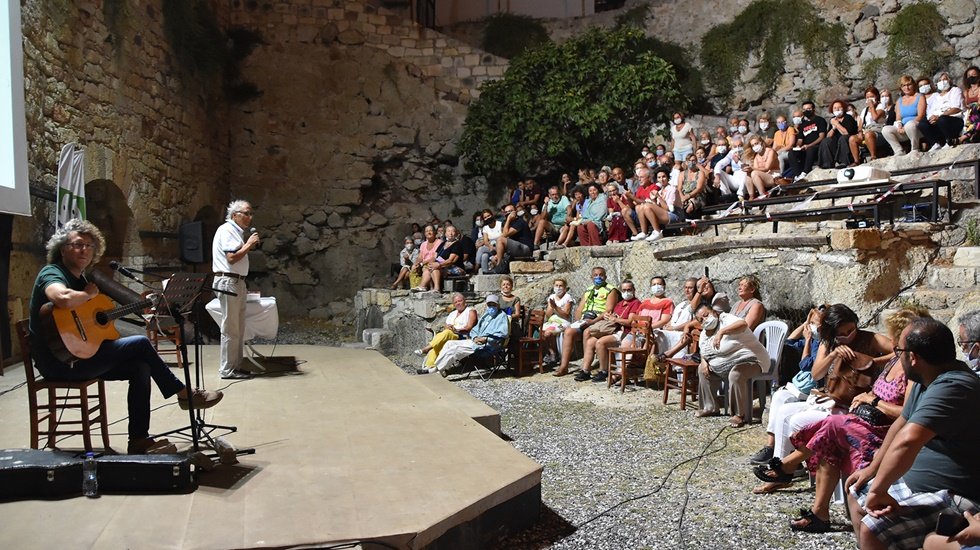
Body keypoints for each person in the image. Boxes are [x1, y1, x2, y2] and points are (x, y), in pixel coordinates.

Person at [29, 219, 222, 454]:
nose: (84, 250)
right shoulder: (52, 273)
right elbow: (62, 298)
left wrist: (138, 308)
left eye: (90, 246)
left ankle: (138, 440)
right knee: (141, 342)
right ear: (62, 248)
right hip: (60, 363)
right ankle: (183, 393)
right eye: (78, 244)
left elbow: (94, 321)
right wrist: (88, 294)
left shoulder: (82, 279)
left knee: (140, 367)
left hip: (81, 356)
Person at [750, 308, 924, 529]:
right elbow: (815, 374)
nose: (892, 342)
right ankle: (814, 506)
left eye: (895, 340)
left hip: (880, 426)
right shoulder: (894, 361)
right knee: (824, 432)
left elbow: (907, 413)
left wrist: (870, 385)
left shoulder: (909, 368)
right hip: (858, 414)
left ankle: (788, 471)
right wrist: (837, 358)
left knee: (830, 427)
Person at [845, 317, 980, 550]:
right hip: (921, 483)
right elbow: (901, 426)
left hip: (956, 493)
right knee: (856, 493)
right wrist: (872, 469)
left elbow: (908, 440)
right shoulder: (925, 379)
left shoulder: (954, 386)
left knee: (874, 528)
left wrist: (879, 490)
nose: (897, 356)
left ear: (913, 357)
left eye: (899, 351)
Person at [748, 304, 828, 466]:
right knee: (778, 396)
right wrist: (805, 324)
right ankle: (772, 446)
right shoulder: (813, 337)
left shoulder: (822, 343)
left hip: (815, 389)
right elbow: (790, 340)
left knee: (784, 405)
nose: (812, 327)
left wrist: (806, 341)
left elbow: (806, 365)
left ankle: (787, 459)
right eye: (811, 323)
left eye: (816, 323)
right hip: (802, 386)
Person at [693, 304, 770, 428]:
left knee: (736, 374)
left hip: (752, 360)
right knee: (702, 370)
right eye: (701, 319)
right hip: (726, 364)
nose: (705, 320)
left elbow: (743, 324)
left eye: (706, 315)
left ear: (714, 312)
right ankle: (710, 407)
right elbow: (703, 350)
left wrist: (722, 332)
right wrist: (703, 362)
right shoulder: (705, 333)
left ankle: (739, 414)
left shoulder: (725, 319)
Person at [212, 199, 262, 380]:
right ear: (235, 215)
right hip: (228, 282)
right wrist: (248, 244)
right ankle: (227, 370)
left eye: (251, 213)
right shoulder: (227, 230)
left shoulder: (235, 232)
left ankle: (236, 366)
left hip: (237, 282)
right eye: (246, 213)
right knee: (231, 328)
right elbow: (231, 258)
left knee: (238, 328)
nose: (250, 217)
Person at [417, 295, 510, 376]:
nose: (491, 307)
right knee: (450, 344)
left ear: (498, 305)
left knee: (455, 349)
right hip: (476, 341)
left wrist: (486, 339)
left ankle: (436, 368)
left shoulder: (502, 316)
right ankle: (438, 368)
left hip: (488, 344)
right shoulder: (486, 315)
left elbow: (502, 334)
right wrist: (475, 337)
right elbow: (474, 329)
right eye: (489, 305)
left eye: (493, 305)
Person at [556, 267, 620, 377]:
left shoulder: (611, 290)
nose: (598, 277)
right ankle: (564, 366)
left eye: (601, 275)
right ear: (591, 277)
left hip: (600, 319)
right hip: (586, 319)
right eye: (595, 275)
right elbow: (579, 309)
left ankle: (586, 368)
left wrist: (593, 321)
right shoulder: (589, 290)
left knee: (587, 332)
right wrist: (578, 321)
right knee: (569, 331)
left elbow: (608, 310)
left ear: (605, 276)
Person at [575, 279, 642, 383]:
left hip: (626, 333)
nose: (627, 292)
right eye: (624, 290)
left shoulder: (635, 303)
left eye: (629, 289)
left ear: (634, 290)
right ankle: (585, 370)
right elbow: (613, 316)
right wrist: (608, 316)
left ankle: (603, 370)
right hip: (615, 331)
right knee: (590, 341)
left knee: (600, 342)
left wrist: (615, 319)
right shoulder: (620, 304)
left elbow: (630, 322)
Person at [414, 292, 477, 369]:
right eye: (456, 302)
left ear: (464, 301)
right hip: (449, 335)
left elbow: (469, 327)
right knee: (438, 342)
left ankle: (426, 349)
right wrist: (448, 327)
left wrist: (456, 330)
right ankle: (429, 366)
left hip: (462, 336)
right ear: (454, 304)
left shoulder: (470, 311)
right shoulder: (452, 314)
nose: (458, 303)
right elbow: (446, 326)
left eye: (460, 301)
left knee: (443, 335)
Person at [918, 71, 965, 151]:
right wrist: (932, 118)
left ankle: (949, 141)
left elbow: (956, 108)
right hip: (938, 121)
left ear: (949, 80)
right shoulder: (937, 96)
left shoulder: (955, 90)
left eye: (945, 79)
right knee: (923, 123)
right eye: (940, 80)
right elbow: (931, 111)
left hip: (954, 120)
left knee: (942, 119)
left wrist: (939, 116)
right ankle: (935, 144)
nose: (942, 82)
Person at [882, 75, 926, 155]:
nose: (907, 88)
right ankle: (899, 151)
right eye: (904, 86)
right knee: (886, 130)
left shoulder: (920, 97)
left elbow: (921, 115)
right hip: (904, 128)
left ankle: (915, 148)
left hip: (916, 127)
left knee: (910, 125)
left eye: (909, 85)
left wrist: (906, 126)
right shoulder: (900, 100)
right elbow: (898, 117)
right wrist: (899, 126)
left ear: (913, 85)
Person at [542, 278, 576, 369]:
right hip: (552, 320)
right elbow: (548, 315)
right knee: (540, 332)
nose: (558, 288)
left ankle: (554, 354)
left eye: (561, 286)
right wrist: (551, 307)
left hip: (563, 321)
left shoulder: (568, 298)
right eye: (556, 285)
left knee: (548, 333)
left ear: (565, 288)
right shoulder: (552, 297)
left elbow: (566, 314)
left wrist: (556, 307)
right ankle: (552, 352)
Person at [850, 86, 889, 164]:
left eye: (872, 96)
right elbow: (860, 123)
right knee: (852, 138)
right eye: (867, 97)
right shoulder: (865, 110)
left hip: (879, 131)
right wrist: (860, 132)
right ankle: (856, 160)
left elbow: (875, 118)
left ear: (877, 96)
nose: (869, 99)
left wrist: (871, 106)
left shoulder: (881, 107)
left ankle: (873, 157)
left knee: (869, 134)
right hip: (867, 131)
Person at [491, 204, 534, 273]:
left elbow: (504, 235)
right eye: (506, 212)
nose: (508, 214)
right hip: (516, 247)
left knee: (500, 240)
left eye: (510, 211)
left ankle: (499, 266)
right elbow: (505, 235)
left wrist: (508, 219)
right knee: (494, 258)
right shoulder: (509, 224)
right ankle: (502, 270)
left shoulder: (520, 222)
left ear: (515, 212)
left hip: (525, 248)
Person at [790, 101, 828, 179]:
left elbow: (822, 137)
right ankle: (797, 175)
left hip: (817, 146)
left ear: (813, 109)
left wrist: (809, 145)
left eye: (809, 109)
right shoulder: (802, 125)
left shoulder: (820, 120)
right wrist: (798, 146)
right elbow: (800, 139)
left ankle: (805, 172)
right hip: (804, 147)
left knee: (811, 149)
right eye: (804, 109)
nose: (806, 111)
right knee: (792, 153)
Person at [818, 99, 859, 168]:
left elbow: (846, 133)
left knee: (843, 138)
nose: (837, 109)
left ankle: (844, 162)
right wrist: (833, 127)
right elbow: (828, 135)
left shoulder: (848, 118)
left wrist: (837, 124)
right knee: (826, 141)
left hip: (847, 141)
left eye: (839, 107)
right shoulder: (833, 119)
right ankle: (827, 163)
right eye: (835, 108)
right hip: (836, 143)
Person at [412, 225, 443, 291]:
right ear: (425, 233)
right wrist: (417, 263)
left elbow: (435, 257)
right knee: (415, 268)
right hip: (424, 264)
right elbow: (420, 257)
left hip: (436, 262)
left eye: (430, 230)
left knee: (430, 267)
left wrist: (422, 263)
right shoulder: (423, 244)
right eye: (427, 231)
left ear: (434, 232)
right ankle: (424, 286)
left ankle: (425, 286)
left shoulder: (439, 242)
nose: (429, 232)